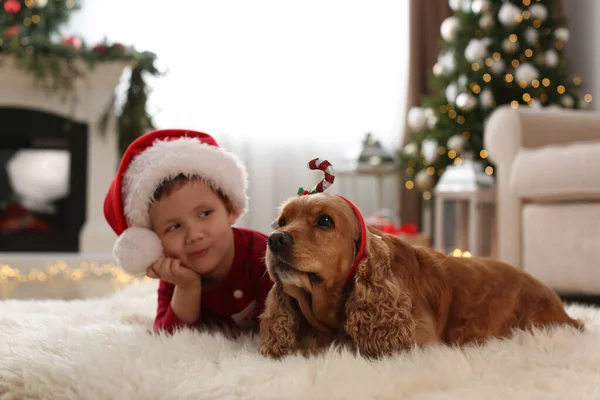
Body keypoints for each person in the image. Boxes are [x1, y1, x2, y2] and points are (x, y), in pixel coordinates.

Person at [103, 129, 272, 334]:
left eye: (205, 214)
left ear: (230, 209)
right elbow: (171, 339)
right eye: (174, 227)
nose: (194, 235)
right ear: (155, 241)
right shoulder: (176, 274)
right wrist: (187, 287)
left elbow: (287, 329)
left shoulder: (263, 258)